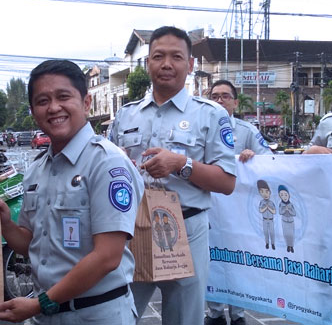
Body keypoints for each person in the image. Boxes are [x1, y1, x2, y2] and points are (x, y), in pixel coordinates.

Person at [0, 59, 144, 324]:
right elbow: (32, 243)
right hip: (46, 315)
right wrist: (5, 224)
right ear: (33, 111)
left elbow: (107, 256)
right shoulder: (37, 169)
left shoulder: (107, 163)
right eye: (43, 100)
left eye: (63, 97)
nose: (54, 108)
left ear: (86, 102)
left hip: (97, 314)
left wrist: (40, 303)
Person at [109, 26, 236, 325]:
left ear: (190, 65)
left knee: (183, 319)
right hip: (133, 228)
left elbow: (227, 182)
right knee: (118, 314)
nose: (167, 64)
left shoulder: (212, 114)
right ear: (147, 63)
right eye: (159, 56)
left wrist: (181, 163)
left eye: (176, 57)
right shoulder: (126, 115)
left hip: (187, 228)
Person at [205, 79, 272, 325]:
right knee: (212, 259)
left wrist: (253, 158)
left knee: (238, 260)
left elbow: (270, 161)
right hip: (209, 209)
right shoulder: (200, 128)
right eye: (214, 96)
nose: (219, 100)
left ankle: (238, 313)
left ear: (235, 101)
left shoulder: (247, 131)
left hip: (239, 211)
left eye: (225, 96)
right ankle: (214, 312)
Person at [257, 180, 276, 249]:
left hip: (271, 220)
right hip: (264, 220)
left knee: (272, 233)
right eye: (262, 192)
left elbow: (274, 211)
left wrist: (269, 208)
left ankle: (273, 244)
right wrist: (266, 207)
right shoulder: (262, 202)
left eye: (267, 191)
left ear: (270, 192)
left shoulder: (271, 203)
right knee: (265, 233)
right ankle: (267, 243)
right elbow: (260, 210)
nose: (265, 194)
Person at [278, 185, 296, 253]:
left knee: (291, 235)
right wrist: (284, 210)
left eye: (285, 195)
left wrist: (289, 210)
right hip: (284, 221)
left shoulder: (291, 204)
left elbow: (294, 213)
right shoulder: (281, 204)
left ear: (288, 195)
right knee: (286, 234)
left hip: (290, 221)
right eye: (282, 195)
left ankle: (291, 246)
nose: (284, 197)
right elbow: (280, 212)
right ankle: (288, 246)